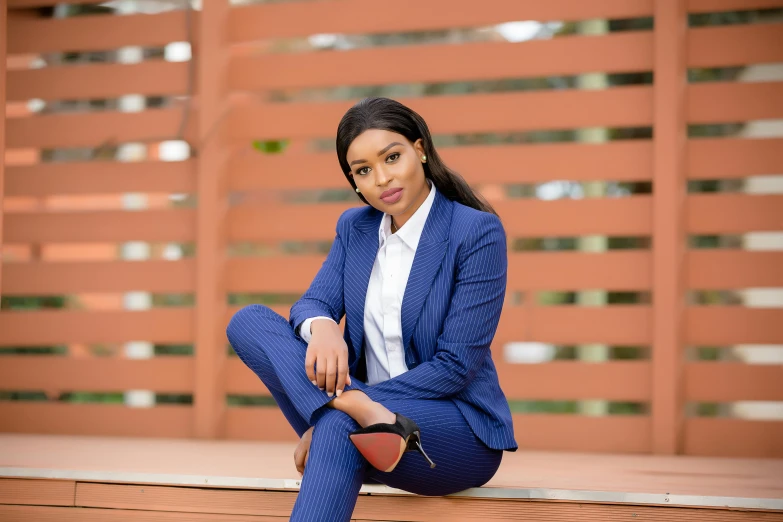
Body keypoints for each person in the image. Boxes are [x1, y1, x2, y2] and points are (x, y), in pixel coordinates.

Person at [226, 97, 517, 521]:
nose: (382, 178)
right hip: (367, 425)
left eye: (392, 157)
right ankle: (346, 416)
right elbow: (313, 302)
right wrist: (324, 328)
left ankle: (337, 417)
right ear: (354, 181)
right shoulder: (355, 227)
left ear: (420, 149)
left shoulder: (474, 232)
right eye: (363, 170)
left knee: (338, 427)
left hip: (452, 431)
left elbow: (456, 365)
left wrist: (356, 402)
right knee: (248, 320)